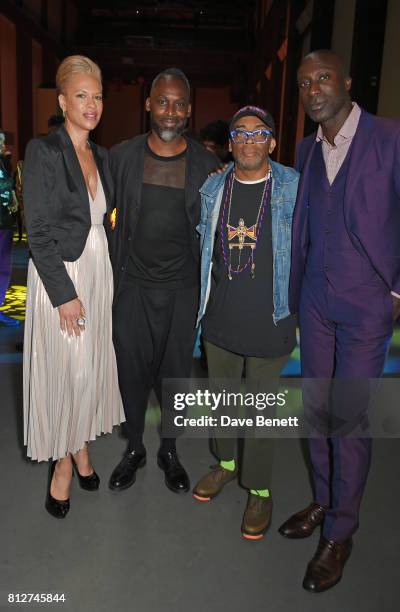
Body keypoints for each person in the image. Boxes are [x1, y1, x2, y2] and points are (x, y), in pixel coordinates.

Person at [279, 50, 400, 592]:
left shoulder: (394, 138)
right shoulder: (306, 148)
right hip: (315, 303)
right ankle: (324, 499)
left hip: (368, 306)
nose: (314, 87)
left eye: (323, 77)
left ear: (348, 81)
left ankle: (341, 531)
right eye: (305, 81)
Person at [23, 55, 125, 518]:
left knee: (92, 367)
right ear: (63, 101)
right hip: (61, 275)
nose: (92, 104)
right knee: (70, 372)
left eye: (98, 96)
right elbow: (39, 230)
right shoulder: (43, 151)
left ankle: (80, 446)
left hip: (97, 269)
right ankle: (62, 465)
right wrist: (64, 294)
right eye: (81, 95)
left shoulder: (102, 157)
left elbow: (109, 220)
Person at [108, 68, 219, 495]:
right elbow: (100, 215)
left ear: (188, 109)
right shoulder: (122, 157)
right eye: (162, 102)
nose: (170, 112)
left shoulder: (207, 166)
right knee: (131, 373)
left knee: (175, 376)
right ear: (148, 104)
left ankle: (169, 450)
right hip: (131, 287)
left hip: (182, 290)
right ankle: (134, 447)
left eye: (178, 104)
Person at [192, 106, 299, 539]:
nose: (250, 141)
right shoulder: (213, 187)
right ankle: (225, 464)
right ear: (231, 142)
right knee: (221, 402)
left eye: (260, 134)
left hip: (271, 319)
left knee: (260, 411)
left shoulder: (293, 186)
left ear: (272, 142)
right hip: (220, 319)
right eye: (241, 133)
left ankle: (258, 487)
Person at [0, 135, 19, 327]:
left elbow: (9, 185)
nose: (3, 145)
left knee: (4, 269)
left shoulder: (4, 163)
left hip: (5, 222)